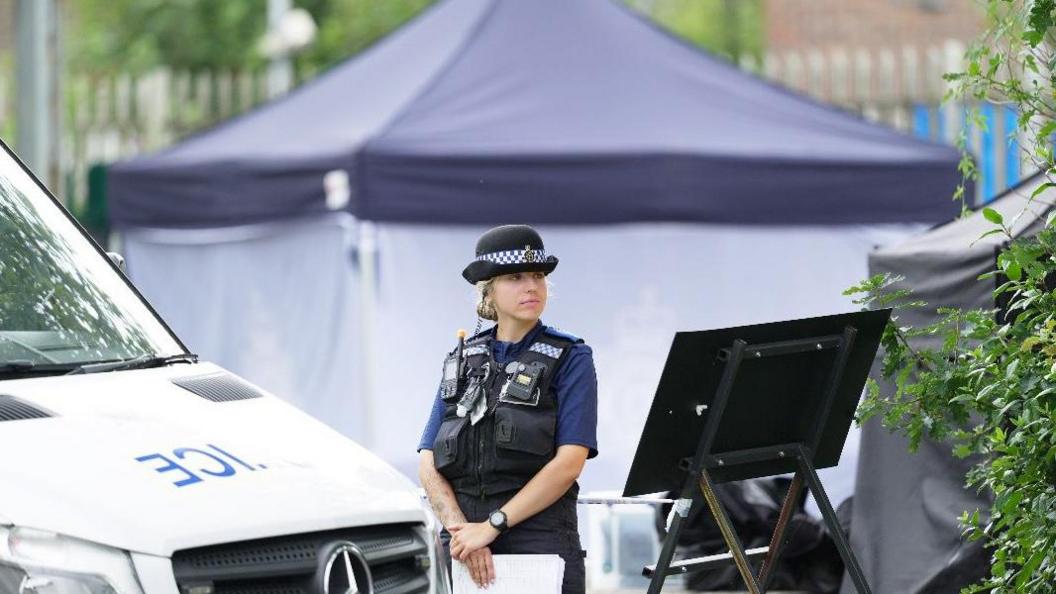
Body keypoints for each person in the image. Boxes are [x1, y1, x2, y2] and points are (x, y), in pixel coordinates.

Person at [417, 224, 598, 594]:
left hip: (538, 537)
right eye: (515, 277)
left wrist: (492, 527)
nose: (532, 286)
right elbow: (427, 460)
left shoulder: (571, 357)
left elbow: (569, 463)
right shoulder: (462, 358)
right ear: (489, 292)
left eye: (537, 276)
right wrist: (462, 534)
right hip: (462, 541)